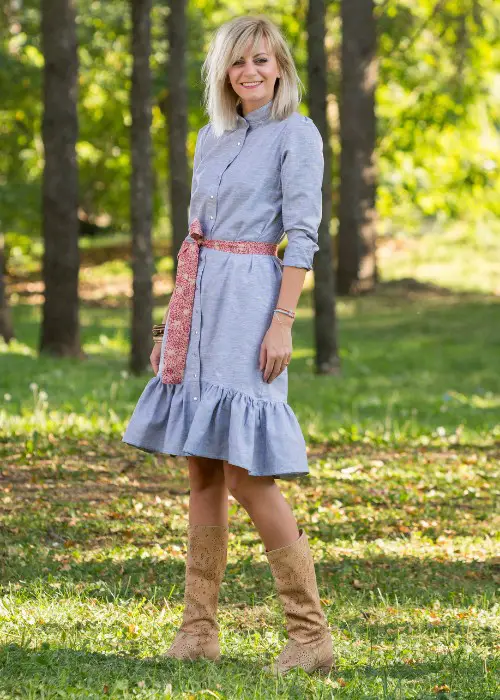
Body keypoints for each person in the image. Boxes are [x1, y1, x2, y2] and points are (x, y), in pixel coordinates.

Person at [122, 15, 334, 676]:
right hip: (201, 302)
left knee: (248, 475)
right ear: (223, 71)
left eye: (263, 61)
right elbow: (195, 239)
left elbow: (301, 235)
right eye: (239, 62)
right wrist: (171, 323)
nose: (250, 72)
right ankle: (198, 631)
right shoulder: (209, 139)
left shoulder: (296, 135)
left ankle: (310, 636)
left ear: (280, 69)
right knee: (202, 467)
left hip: (252, 304)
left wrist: (283, 321)